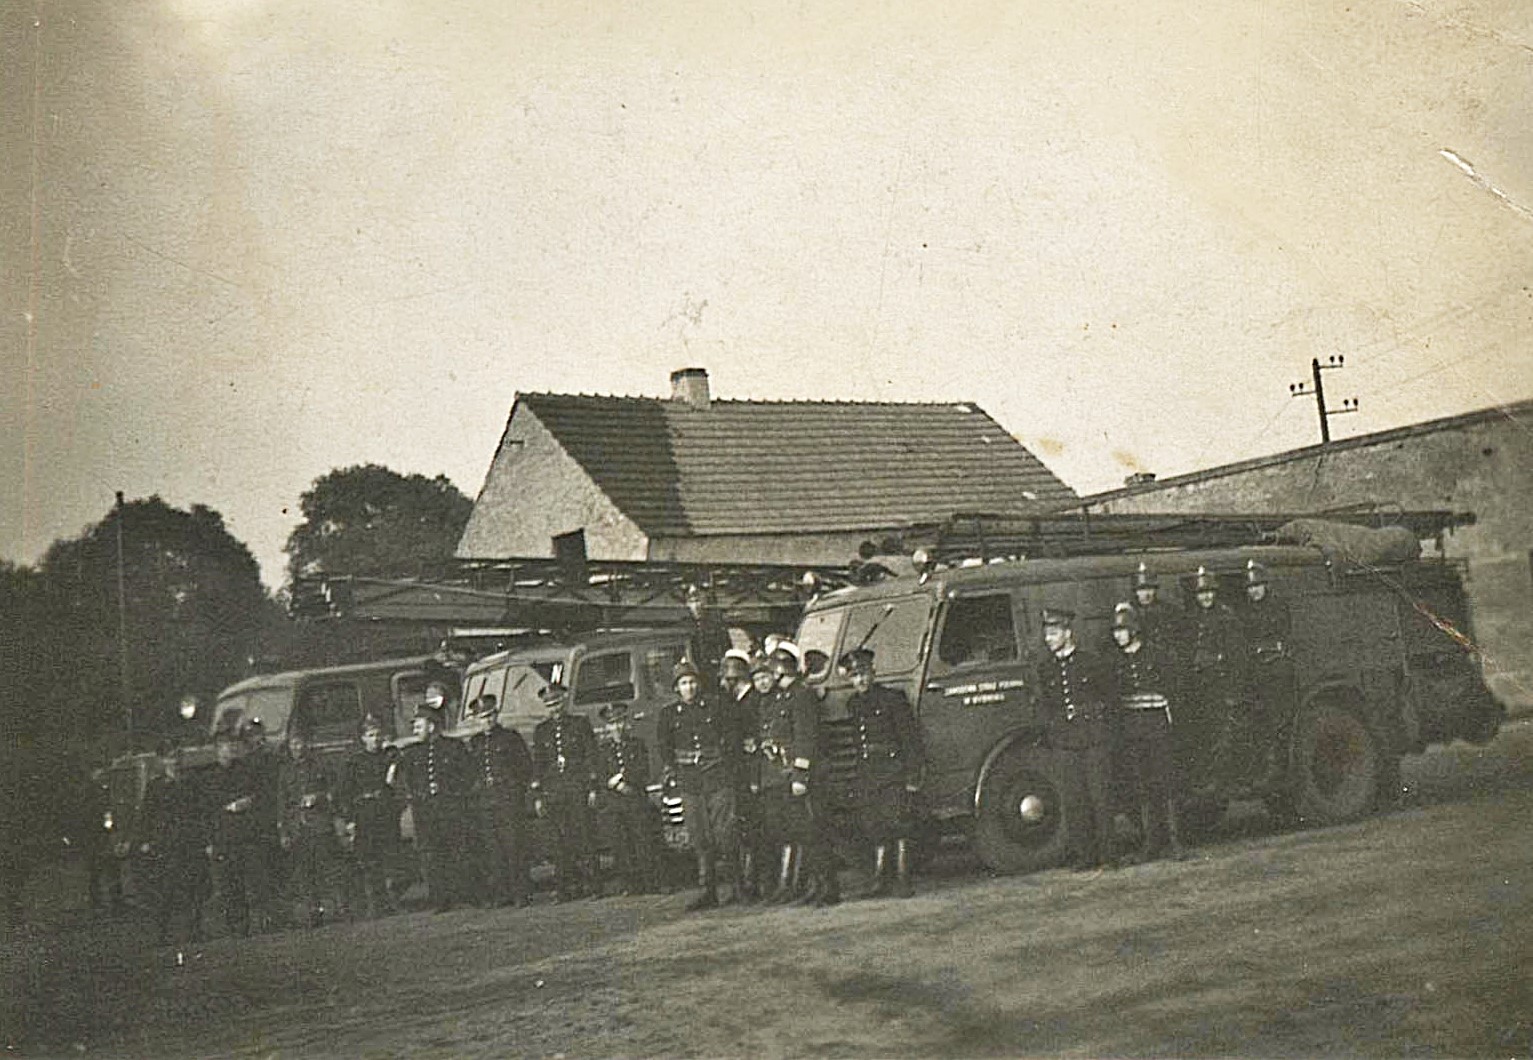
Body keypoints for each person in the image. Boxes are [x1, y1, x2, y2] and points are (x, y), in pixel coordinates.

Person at [839, 648, 924, 898]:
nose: (861, 680)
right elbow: (858, 741)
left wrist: (912, 775)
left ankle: (903, 879)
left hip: (893, 769)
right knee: (874, 826)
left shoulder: (893, 699)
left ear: (873, 673)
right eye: (855, 676)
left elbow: (909, 739)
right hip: (869, 771)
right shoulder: (853, 704)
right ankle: (879, 880)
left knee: (898, 823)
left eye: (864, 674)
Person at [657, 659, 741, 911]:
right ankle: (709, 890)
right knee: (700, 837)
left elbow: (731, 736)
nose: (689, 687)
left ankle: (738, 886)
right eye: (683, 683)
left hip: (716, 778)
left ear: (699, 684)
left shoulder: (714, 707)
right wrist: (678, 771)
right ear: (676, 688)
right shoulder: (669, 715)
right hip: (691, 783)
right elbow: (665, 748)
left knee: (725, 833)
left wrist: (722, 763)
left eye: (692, 682)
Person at [1039, 607, 1118, 870]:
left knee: (1100, 798)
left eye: (1053, 633)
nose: (1048, 639)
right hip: (1066, 742)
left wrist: (1100, 727)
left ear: (1067, 633)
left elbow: (1110, 699)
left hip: (1094, 738)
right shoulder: (1046, 668)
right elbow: (1046, 705)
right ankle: (1085, 855)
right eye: (1047, 634)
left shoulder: (1091, 663)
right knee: (1074, 800)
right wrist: (1055, 733)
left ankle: (1109, 855)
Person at [1110, 603, 1184, 862]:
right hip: (1132, 727)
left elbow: (1174, 686)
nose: (1118, 635)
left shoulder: (1157, 655)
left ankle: (1175, 842)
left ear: (1134, 631)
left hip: (1156, 725)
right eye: (1116, 631)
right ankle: (1151, 843)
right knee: (1142, 785)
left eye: (1122, 630)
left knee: (1165, 782)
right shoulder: (1117, 661)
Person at [764, 645, 835, 905]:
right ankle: (815, 886)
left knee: (814, 831)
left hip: (805, 776)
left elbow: (807, 738)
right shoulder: (784, 697)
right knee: (803, 832)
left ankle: (828, 887)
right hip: (788, 772)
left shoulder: (802, 696)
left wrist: (800, 775)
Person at [392, 686, 471, 912]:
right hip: (425, 810)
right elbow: (398, 780)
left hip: (449, 807)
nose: (415, 728)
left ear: (432, 725)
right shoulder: (411, 753)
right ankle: (439, 898)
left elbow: (465, 775)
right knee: (431, 855)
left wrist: (456, 798)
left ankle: (464, 894)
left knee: (457, 850)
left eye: (419, 724)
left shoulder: (452, 748)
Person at [208, 721, 281, 936]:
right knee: (230, 885)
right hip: (224, 835)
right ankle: (238, 926)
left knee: (257, 880)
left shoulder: (245, 769)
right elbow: (208, 806)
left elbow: (257, 794)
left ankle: (266, 921)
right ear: (217, 750)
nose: (229, 749)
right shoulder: (210, 776)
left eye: (232, 745)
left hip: (246, 834)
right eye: (224, 746)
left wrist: (246, 802)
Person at [136, 743, 212, 947]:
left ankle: (194, 931)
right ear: (162, 761)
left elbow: (201, 812)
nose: (174, 762)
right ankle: (161, 934)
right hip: (166, 844)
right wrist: (145, 840)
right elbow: (146, 815)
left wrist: (205, 841)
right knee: (165, 891)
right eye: (169, 757)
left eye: (177, 757)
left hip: (190, 842)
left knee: (193, 889)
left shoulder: (192, 783)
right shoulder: (155, 786)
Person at [464, 693, 535, 907]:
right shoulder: (475, 742)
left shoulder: (510, 737)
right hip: (487, 800)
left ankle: (521, 893)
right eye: (482, 717)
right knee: (494, 849)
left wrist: (515, 792)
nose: (487, 720)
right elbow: (471, 772)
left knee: (514, 846)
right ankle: (502, 893)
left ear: (496, 715)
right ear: (476, 719)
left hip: (508, 799)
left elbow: (524, 767)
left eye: (490, 715)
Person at [531, 683, 600, 902]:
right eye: (550, 704)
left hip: (577, 788)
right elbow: (539, 765)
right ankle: (566, 888)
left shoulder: (579, 724)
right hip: (555, 791)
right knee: (560, 842)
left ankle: (594, 885)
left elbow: (591, 756)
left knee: (584, 837)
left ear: (565, 701)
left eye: (558, 702)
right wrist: (540, 795)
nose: (555, 708)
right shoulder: (541, 731)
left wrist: (591, 788)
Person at [1187, 565, 1249, 791]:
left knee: (1225, 736)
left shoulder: (1226, 617)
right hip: (1203, 685)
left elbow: (1238, 658)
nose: (1206, 597)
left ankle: (1225, 781)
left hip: (1223, 685)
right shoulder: (1194, 618)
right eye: (1201, 593)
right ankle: (1211, 779)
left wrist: (1233, 692)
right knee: (1206, 732)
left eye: (1209, 592)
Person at [278, 728, 346, 928]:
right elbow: (282, 804)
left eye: (300, 743)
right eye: (293, 745)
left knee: (330, 868)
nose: (297, 748)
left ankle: (341, 907)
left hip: (320, 824)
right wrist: (284, 831)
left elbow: (335, 788)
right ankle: (313, 912)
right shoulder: (285, 771)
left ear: (307, 744)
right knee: (306, 872)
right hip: (298, 827)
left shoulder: (320, 765)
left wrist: (319, 797)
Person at [595, 700, 661, 895]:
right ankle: (630, 884)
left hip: (635, 798)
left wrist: (623, 777)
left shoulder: (637, 745)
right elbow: (600, 774)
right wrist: (614, 783)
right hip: (615, 802)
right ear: (607, 727)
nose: (618, 727)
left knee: (643, 840)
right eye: (613, 723)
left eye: (621, 722)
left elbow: (643, 769)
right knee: (621, 844)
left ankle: (651, 881)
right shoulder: (603, 750)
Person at [340, 715, 402, 918]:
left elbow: (397, 775)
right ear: (362, 738)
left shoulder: (388, 756)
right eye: (370, 735)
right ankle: (375, 904)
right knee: (369, 860)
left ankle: (392, 901)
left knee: (390, 857)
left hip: (385, 813)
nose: (375, 739)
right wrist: (349, 820)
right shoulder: (354, 762)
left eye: (377, 735)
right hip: (365, 814)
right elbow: (345, 793)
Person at [1239, 559, 1294, 779]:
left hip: (1276, 668)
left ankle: (1279, 764)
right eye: (1251, 587)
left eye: (1258, 586)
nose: (1254, 591)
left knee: (1279, 718)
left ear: (1265, 586)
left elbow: (1285, 634)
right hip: (1256, 669)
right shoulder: (1246, 612)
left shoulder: (1278, 606)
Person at [685, 583, 734, 687]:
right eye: (692, 602)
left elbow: (726, 652)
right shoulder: (686, 627)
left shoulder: (717, 627)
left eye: (699, 601)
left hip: (714, 676)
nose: (697, 606)